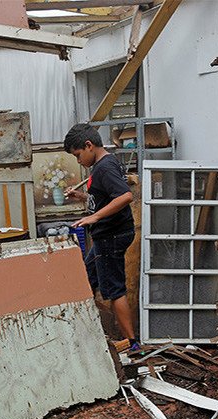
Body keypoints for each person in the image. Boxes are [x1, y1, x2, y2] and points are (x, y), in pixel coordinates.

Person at [64, 123, 139, 350]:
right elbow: (104, 199)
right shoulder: (102, 165)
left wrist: (94, 218)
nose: (78, 161)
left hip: (111, 235)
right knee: (88, 277)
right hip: (108, 235)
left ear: (89, 145)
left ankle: (132, 343)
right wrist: (81, 196)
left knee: (114, 289)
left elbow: (125, 196)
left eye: (78, 155)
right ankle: (91, 335)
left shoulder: (104, 167)